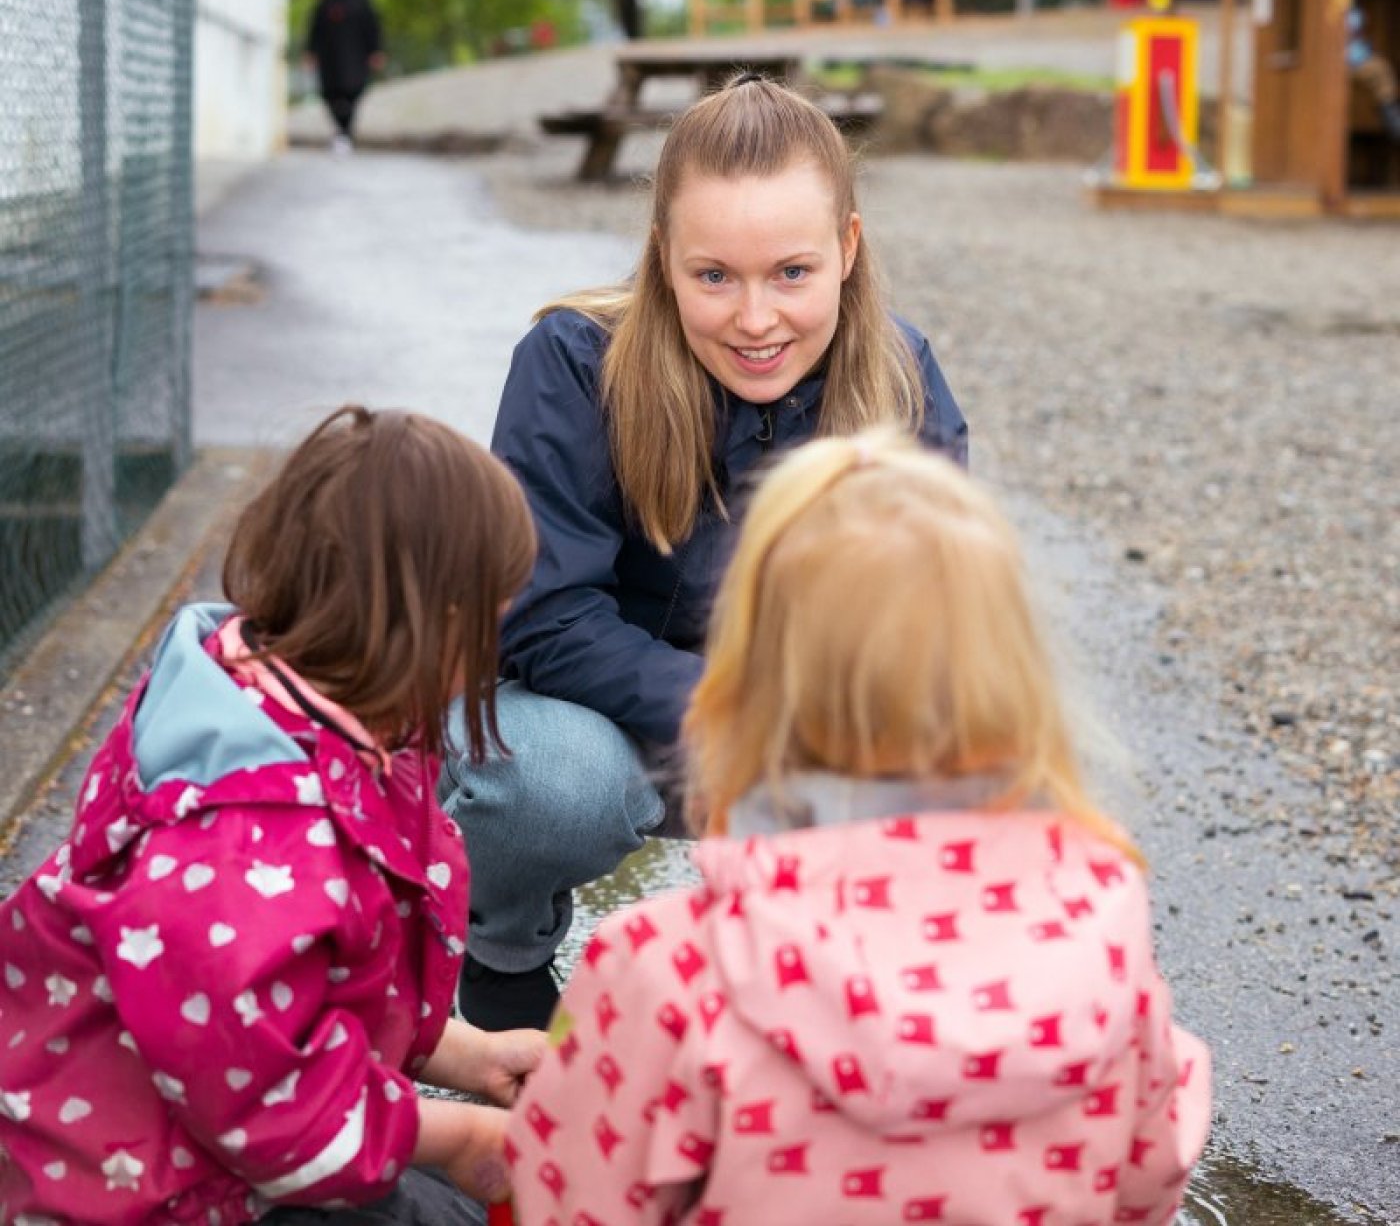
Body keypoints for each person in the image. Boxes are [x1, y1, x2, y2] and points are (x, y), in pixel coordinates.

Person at [504, 430, 1212, 1224]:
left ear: (737, 676)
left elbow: (568, 1200)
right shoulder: (1103, 924)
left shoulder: (667, 971)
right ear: (1019, 677)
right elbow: (1150, 1179)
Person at [436, 73, 967, 1034]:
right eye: (714, 275)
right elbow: (546, 616)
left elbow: (935, 622)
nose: (755, 319)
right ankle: (501, 944)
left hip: (800, 727)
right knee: (554, 781)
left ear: (847, 249)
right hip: (601, 720)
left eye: (791, 274)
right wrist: (731, 718)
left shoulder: (900, 379)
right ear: (664, 257)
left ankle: (813, 977)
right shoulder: (570, 362)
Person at [0, 407, 546, 1225]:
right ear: (431, 628)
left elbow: (315, 989)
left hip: (207, 1133)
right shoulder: (246, 837)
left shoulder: (296, 710)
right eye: (492, 624)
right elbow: (276, 1115)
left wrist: (472, 1057)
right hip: (143, 1192)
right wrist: (465, 1136)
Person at [304, 0, 385, 154]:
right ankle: (341, 133)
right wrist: (310, 52)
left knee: (353, 93)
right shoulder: (325, 0)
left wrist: (376, 51)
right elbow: (315, 28)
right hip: (330, 58)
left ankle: (344, 133)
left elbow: (372, 27)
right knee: (330, 94)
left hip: (355, 58)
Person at [1346, 0, 1400, 143]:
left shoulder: (1353, 8)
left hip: (1357, 59)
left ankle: (1391, 118)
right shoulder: (1343, 7)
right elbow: (1350, 39)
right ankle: (1393, 122)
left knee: (1382, 70)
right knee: (1382, 71)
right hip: (1350, 62)